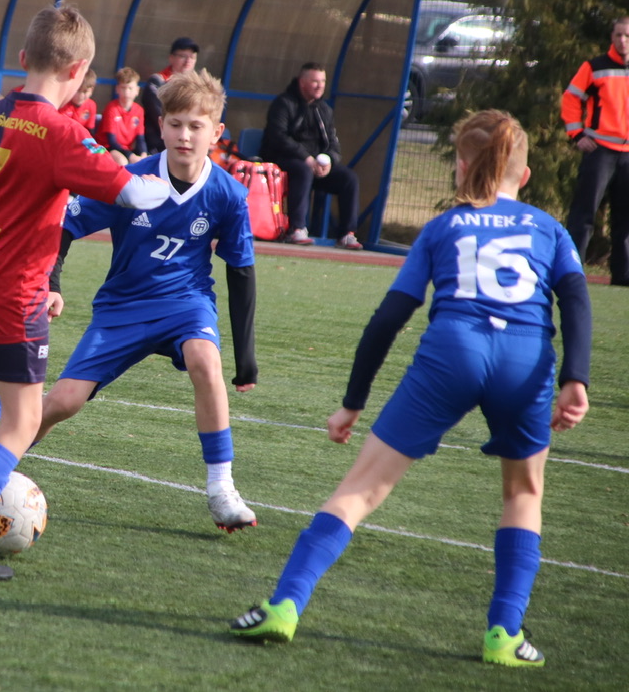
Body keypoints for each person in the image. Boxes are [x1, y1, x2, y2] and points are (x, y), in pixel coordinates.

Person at [230, 109, 592, 669]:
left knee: (361, 489)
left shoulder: (444, 228)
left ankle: (285, 606)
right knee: (523, 493)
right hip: (526, 360)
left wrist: (352, 403)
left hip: (452, 351)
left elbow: (389, 319)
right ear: (524, 174)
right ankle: (504, 635)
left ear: (461, 167)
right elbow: (576, 301)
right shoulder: (549, 228)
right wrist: (576, 379)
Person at [0, 3, 172, 580]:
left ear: (24, 58)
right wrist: (153, 175)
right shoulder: (64, 134)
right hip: (15, 290)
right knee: (22, 421)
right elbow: (135, 195)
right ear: (79, 72)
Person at [35, 68, 260, 532]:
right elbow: (66, 223)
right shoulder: (130, 180)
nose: (184, 135)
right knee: (64, 401)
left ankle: (222, 488)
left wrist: (246, 356)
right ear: (160, 126)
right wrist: (51, 282)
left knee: (205, 360)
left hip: (186, 302)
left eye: (196, 126)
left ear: (216, 132)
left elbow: (240, 271)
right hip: (123, 307)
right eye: (175, 124)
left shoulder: (229, 195)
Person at [262, 62, 363, 249]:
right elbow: (278, 137)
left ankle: (347, 235)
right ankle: (297, 229)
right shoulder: (283, 104)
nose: (320, 86)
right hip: (284, 162)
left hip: (315, 166)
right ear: (302, 82)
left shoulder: (324, 110)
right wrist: (306, 158)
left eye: (323, 81)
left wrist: (329, 161)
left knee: (349, 178)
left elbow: (333, 144)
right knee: (303, 171)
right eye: (315, 81)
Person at [561, 16, 629, 286]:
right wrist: (577, 134)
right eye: (619, 35)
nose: (623, 41)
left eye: (627, 36)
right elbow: (571, 98)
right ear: (612, 37)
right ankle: (571, 270)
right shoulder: (595, 67)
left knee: (625, 219)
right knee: (584, 213)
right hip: (600, 152)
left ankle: (623, 277)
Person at [142, 36, 200, 154]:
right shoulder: (157, 82)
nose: (188, 61)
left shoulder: (198, 85)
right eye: (183, 56)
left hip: (189, 146)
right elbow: (161, 116)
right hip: (159, 147)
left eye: (192, 57)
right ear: (171, 58)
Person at [98, 66, 149, 164]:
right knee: (122, 161)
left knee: (148, 160)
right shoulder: (111, 108)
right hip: (107, 148)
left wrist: (143, 154)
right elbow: (112, 142)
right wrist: (130, 156)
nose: (127, 92)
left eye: (130, 88)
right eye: (123, 88)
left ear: (137, 90)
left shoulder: (139, 110)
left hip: (127, 150)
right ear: (117, 89)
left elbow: (140, 138)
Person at [59, 67, 98, 135]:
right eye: (78, 91)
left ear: (91, 90)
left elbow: (90, 130)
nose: (81, 96)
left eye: (85, 92)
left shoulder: (91, 105)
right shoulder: (62, 104)